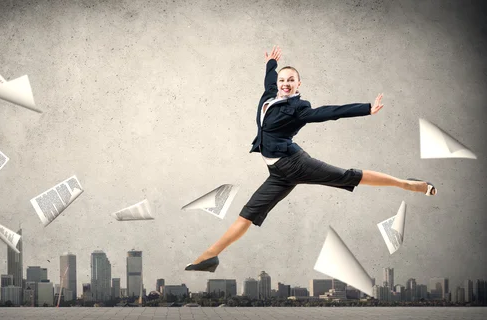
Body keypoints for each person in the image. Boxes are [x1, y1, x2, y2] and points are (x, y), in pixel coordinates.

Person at [185, 46, 436, 273]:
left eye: (291, 80)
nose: (285, 83)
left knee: (347, 176)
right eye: (283, 79)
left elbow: (329, 113)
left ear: (298, 84)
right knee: (247, 215)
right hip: (278, 173)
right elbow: (269, 80)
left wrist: (365, 108)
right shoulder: (269, 95)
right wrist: (271, 63)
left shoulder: (299, 108)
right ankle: (209, 257)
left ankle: (411, 184)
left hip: (295, 164)